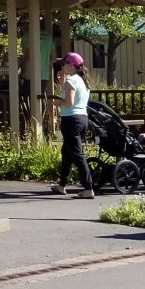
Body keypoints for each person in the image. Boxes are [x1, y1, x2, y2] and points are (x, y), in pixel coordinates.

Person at [52, 52, 95, 198]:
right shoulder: (83, 81)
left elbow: (69, 103)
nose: (62, 67)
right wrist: (62, 81)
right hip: (82, 118)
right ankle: (61, 185)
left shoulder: (71, 81)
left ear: (70, 65)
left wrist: (57, 103)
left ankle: (88, 188)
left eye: (63, 64)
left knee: (77, 154)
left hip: (71, 120)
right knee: (67, 153)